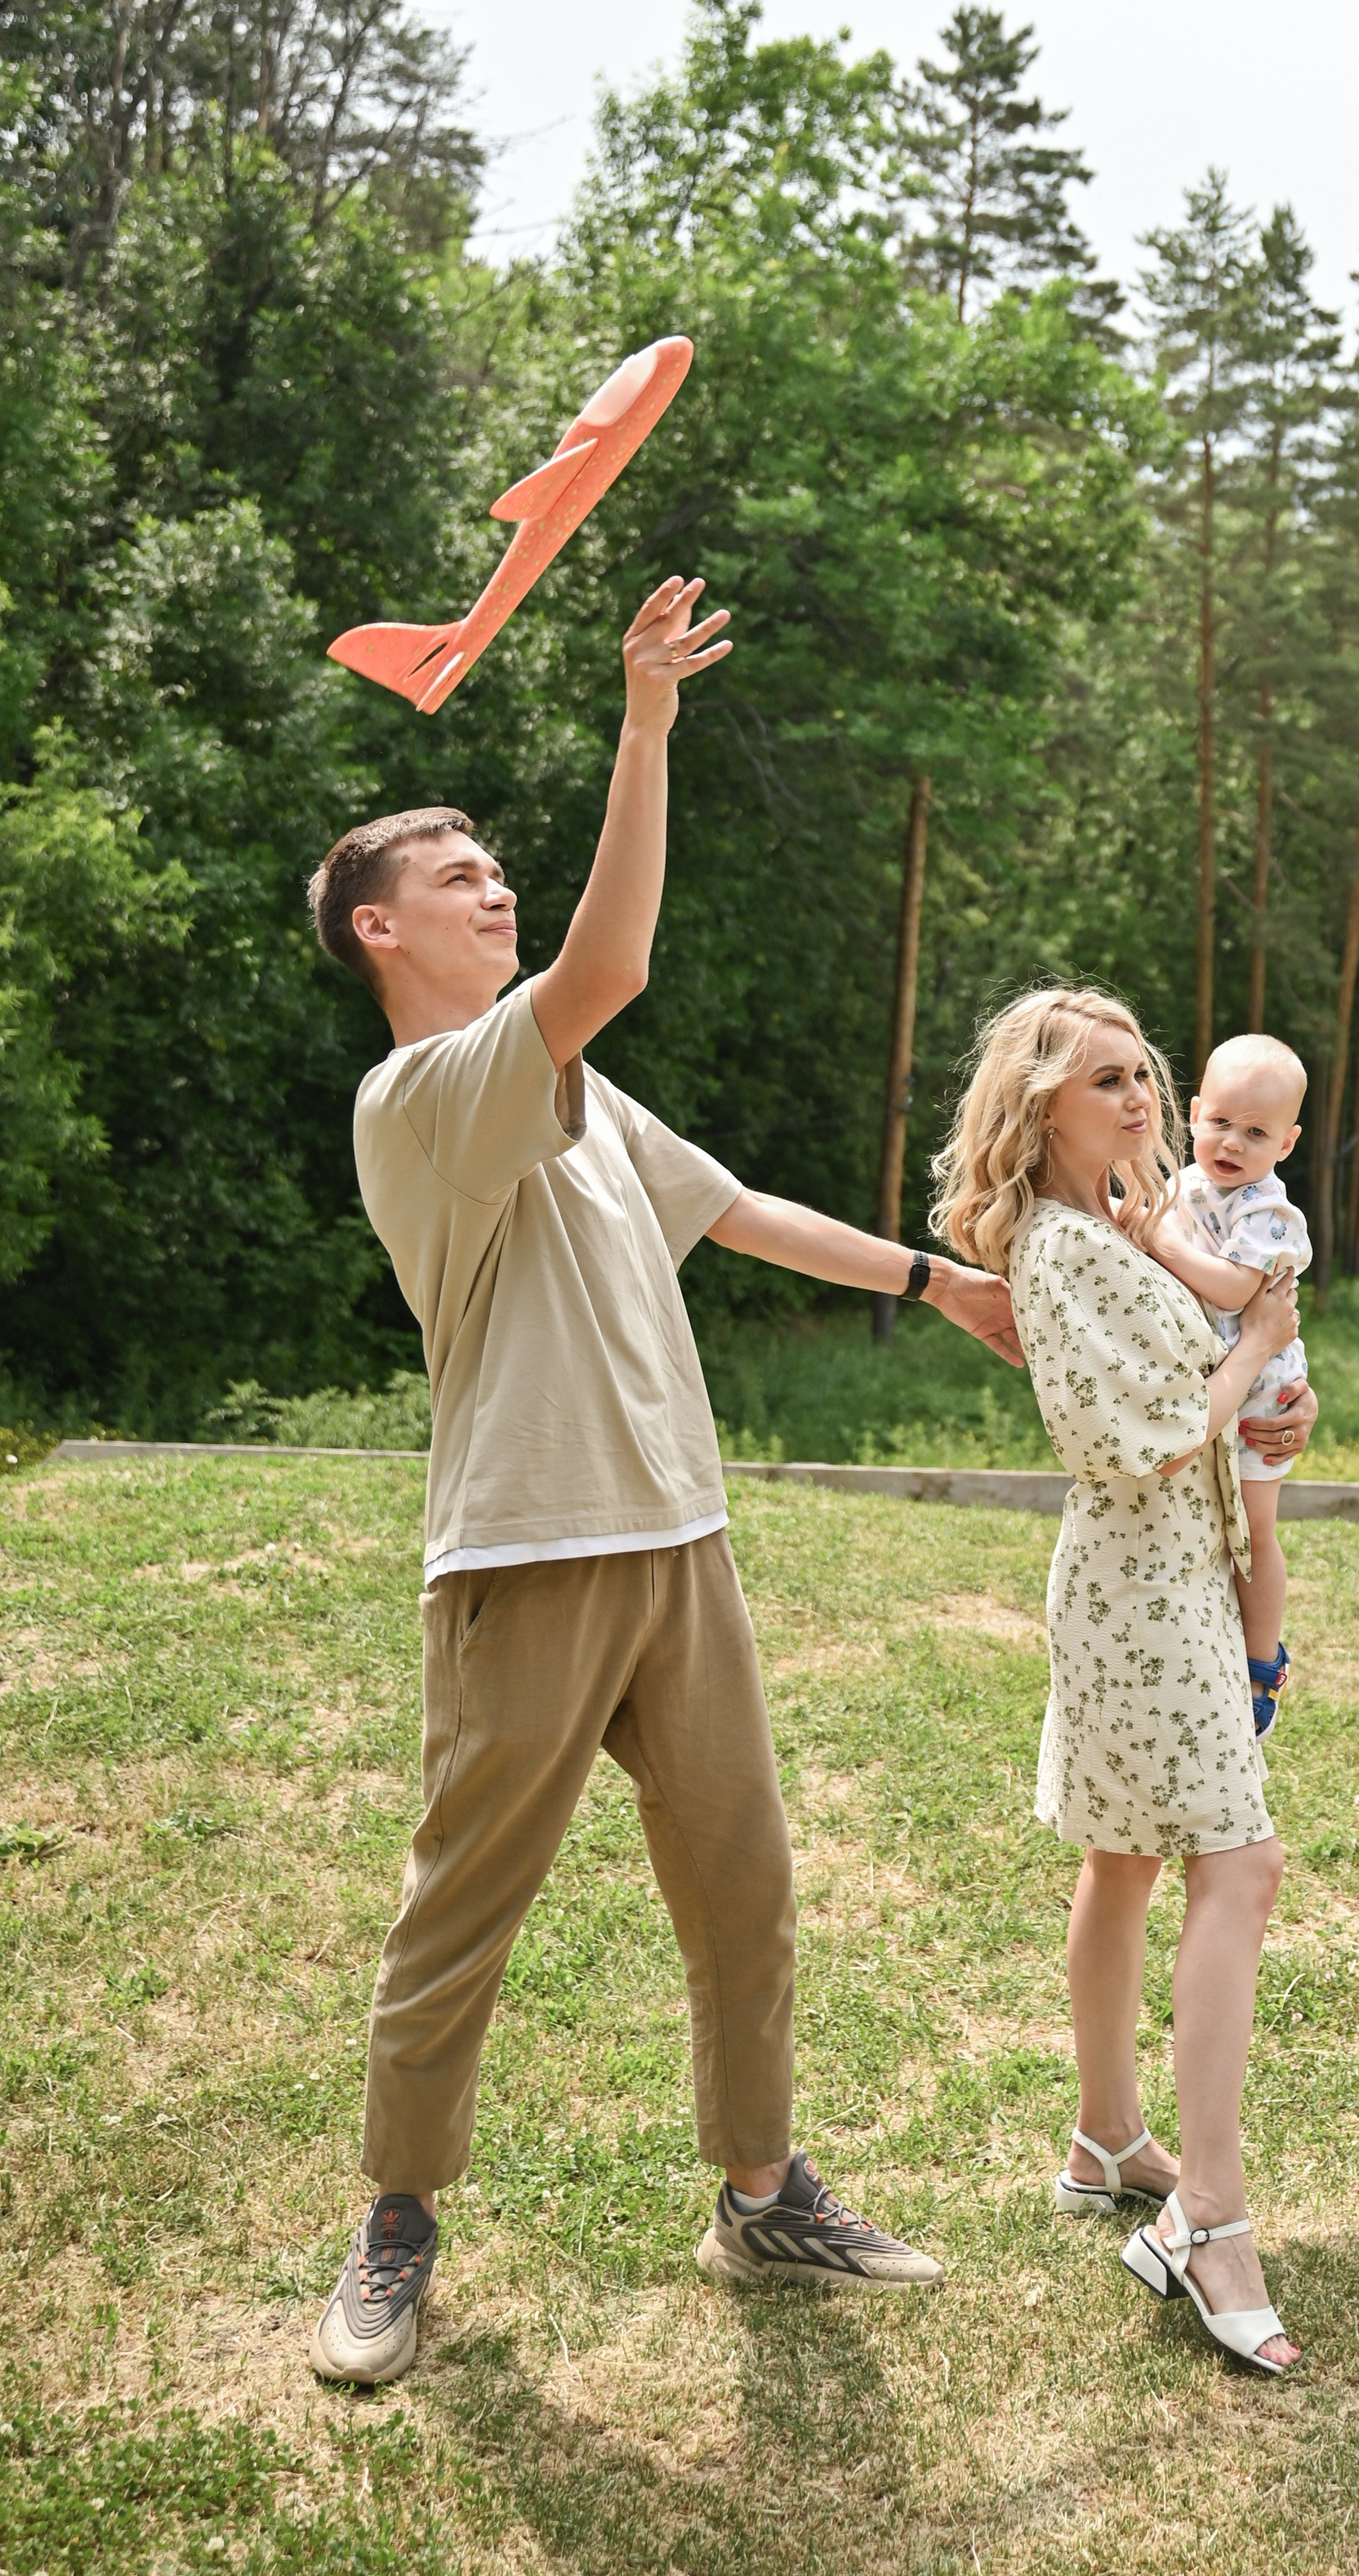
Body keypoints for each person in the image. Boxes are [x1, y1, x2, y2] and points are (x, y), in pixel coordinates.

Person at [303, 575, 1021, 2387]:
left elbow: (739, 1210)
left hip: (676, 1548)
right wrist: (643, 721)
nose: (494, 884)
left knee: (743, 1884)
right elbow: (606, 966)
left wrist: (947, 1290)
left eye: (495, 866)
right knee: (460, 1910)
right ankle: (396, 2223)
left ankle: (760, 2192)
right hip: (526, 1560)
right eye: (455, 874)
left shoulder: (578, 1097)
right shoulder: (425, 1100)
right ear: (380, 928)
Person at [931, 986, 1312, 2376]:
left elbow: (1198, 1405)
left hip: (1177, 1575)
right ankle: (1207, 2215)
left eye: (1144, 1075)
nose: (1142, 1100)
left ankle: (1107, 2138)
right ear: (1040, 1105)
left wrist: (1271, 1405)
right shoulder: (1056, 1245)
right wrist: (1254, 1359)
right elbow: (1141, 1438)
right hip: (1139, 1591)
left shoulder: (1127, 1223)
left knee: (1128, 1861)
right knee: (1241, 1864)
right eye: (1108, 1082)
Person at [1146, 1034, 1312, 1742]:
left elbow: (1236, 1288)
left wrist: (1159, 1239)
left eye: (1256, 1132)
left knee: (1252, 1529)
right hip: (1213, 1379)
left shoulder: (1268, 1211)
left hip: (1260, 1392)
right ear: (1192, 1112)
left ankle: (1259, 1662)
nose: (1233, 1143)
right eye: (1220, 1122)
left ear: (1287, 1142)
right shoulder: (1180, 1187)